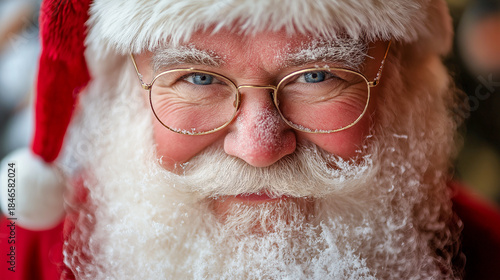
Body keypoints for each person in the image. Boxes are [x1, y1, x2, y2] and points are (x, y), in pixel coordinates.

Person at [1, 0, 500, 279]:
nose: (259, 148)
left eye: (318, 76)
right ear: (124, 93)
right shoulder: (17, 257)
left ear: (404, 84)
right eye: (198, 78)